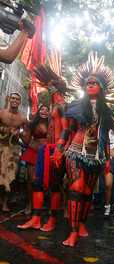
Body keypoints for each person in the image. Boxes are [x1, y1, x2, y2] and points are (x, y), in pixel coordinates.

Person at [53, 52, 114, 247]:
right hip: (75, 152)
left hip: (95, 156)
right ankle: (72, 232)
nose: (90, 84)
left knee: (87, 191)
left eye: (94, 82)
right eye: (87, 82)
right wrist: (59, 149)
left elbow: (105, 137)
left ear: (101, 87)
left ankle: (81, 224)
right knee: (76, 188)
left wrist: (108, 159)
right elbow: (67, 130)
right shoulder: (76, 106)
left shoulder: (106, 111)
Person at [17, 65, 66, 231]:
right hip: (45, 150)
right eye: (49, 85)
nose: (49, 87)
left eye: (52, 85)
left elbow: (66, 129)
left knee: (54, 184)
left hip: (56, 150)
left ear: (58, 87)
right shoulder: (53, 105)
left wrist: (59, 150)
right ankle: (36, 218)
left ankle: (51, 220)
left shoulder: (62, 105)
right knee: (37, 183)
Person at [20, 104, 50, 214]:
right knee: (30, 180)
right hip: (33, 152)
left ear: (49, 113)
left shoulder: (51, 124)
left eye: (46, 110)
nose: (44, 111)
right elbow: (26, 140)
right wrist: (21, 135)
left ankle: (41, 204)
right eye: (42, 109)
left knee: (45, 180)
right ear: (38, 111)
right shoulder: (33, 124)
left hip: (46, 153)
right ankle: (29, 204)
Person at [0, 92, 27, 211]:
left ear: (20, 102)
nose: (15, 100)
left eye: (17, 99)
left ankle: (5, 202)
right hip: (1, 146)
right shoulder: (1, 113)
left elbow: (26, 136)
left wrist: (19, 133)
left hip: (13, 149)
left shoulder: (22, 118)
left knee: (10, 176)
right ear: (9, 99)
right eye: (13, 98)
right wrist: (4, 129)